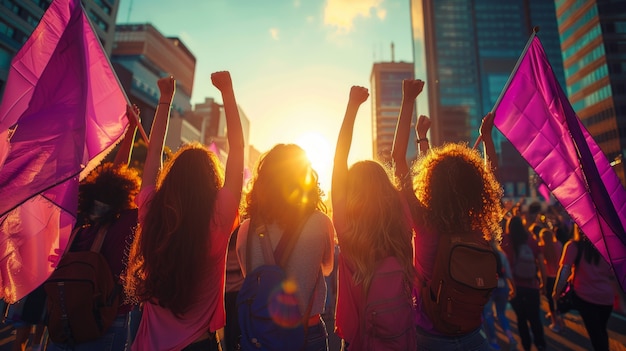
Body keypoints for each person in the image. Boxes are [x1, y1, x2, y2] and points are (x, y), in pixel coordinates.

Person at [125, 72, 244, 351]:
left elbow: (153, 156)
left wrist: (165, 99)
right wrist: (227, 91)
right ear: (210, 181)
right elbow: (237, 149)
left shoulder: (153, 211)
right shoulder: (218, 216)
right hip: (198, 344)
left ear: (171, 178)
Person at [392, 79, 503, 350]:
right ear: (477, 188)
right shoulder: (475, 224)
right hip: (472, 334)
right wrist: (487, 137)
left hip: (429, 335)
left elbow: (398, 160)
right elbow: (493, 176)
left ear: (431, 183)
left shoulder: (425, 223)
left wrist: (408, 101)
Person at [46, 104, 142, 351]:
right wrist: (133, 131)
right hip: (107, 323)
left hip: (65, 326)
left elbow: (115, 174)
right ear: (125, 193)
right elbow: (121, 176)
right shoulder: (127, 222)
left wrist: (129, 133)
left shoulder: (78, 227)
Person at [331, 86, 417, 350]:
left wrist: (353, 106)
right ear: (386, 189)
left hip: (359, 340)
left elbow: (338, 162)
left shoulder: (347, 230)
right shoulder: (403, 220)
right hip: (402, 337)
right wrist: (409, 100)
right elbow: (400, 159)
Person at [236, 143, 334, 351]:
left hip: (262, 337)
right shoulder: (320, 222)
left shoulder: (245, 229)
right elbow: (327, 267)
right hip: (308, 334)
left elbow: (251, 278)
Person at [552, 225, 620, 351]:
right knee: (601, 330)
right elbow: (614, 274)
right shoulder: (607, 247)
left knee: (596, 335)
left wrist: (556, 291)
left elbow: (564, 271)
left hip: (585, 297)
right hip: (606, 298)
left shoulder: (573, 246)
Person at [503, 215, 547, 351]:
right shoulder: (530, 240)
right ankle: (540, 344)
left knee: (521, 319)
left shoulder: (506, 240)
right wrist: (544, 284)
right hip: (532, 285)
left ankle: (526, 345)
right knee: (535, 318)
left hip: (515, 287)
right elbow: (541, 262)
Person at [482, 239, 517, 350]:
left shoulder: (483, 255)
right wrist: (513, 288)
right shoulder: (501, 254)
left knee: (488, 315)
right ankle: (510, 337)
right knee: (501, 313)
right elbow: (508, 274)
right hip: (502, 287)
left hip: (488, 288)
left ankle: (493, 342)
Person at [539, 220, 564, 332]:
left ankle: (555, 323)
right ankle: (559, 318)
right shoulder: (558, 245)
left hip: (548, 278)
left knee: (550, 300)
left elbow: (541, 267)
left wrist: (542, 283)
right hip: (559, 276)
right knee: (558, 299)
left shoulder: (542, 248)